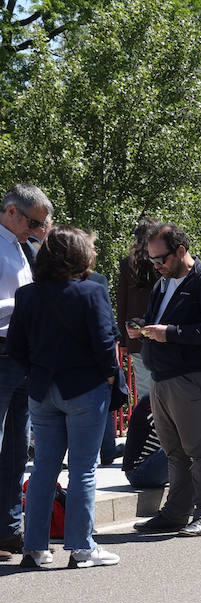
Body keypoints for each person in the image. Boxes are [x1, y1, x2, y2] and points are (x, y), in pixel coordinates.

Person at [8, 225, 119, 567]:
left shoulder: (28, 294)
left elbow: (15, 347)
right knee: (84, 469)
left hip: (42, 389)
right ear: (79, 255)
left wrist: (37, 371)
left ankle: (35, 548)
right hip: (85, 388)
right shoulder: (91, 291)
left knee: (42, 468)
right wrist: (110, 376)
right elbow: (105, 345)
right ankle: (82, 548)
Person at [127, 222, 201, 538]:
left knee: (200, 448)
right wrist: (143, 326)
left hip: (191, 378)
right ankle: (175, 513)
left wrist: (169, 333)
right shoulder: (162, 284)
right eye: (152, 260)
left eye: (161, 259)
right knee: (174, 451)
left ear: (181, 251)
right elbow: (162, 322)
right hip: (162, 377)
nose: (156, 266)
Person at [0, 183, 51, 558]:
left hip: (21, 357)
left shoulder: (26, 247)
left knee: (17, 448)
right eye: (34, 222)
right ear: (11, 211)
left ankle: (8, 529)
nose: (37, 230)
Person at [115, 217, 159, 397]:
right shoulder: (163, 262)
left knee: (144, 390)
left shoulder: (128, 264)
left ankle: (149, 423)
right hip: (163, 331)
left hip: (136, 333)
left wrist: (124, 340)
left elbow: (122, 302)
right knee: (165, 387)